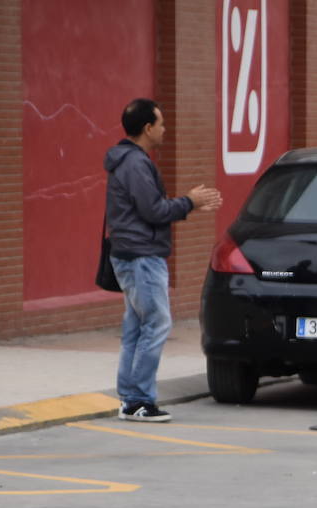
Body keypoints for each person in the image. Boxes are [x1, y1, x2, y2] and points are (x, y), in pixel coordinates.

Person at [104, 98, 220, 423]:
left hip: (130, 254)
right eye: (162, 123)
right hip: (142, 257)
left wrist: (185, 202)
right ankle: (139, 400)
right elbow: (153, 210)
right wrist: (189, 202)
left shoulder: (124, 160)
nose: (165, 129)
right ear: (147, 128)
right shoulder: (136, 163)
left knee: (136, 326)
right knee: (156, 324)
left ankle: (130, 398)